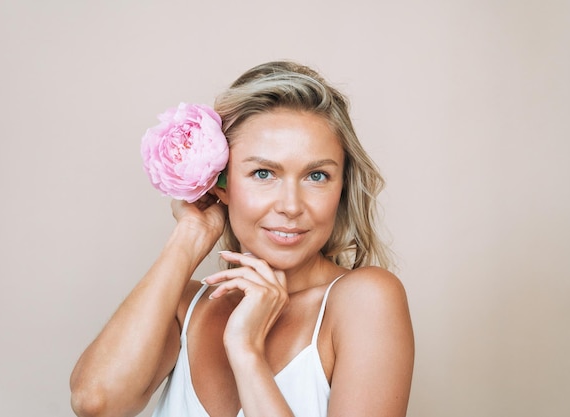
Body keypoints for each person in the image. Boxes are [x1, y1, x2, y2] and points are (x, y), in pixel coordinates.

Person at [70, 61, 414, 417]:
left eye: (317, 175)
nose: (291, 206)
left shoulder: (365, 300)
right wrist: (189, 236)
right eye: (263, 173)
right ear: (221, 183)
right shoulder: (185, 307)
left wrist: (246, 350)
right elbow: (96, 403)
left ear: (341, 187)